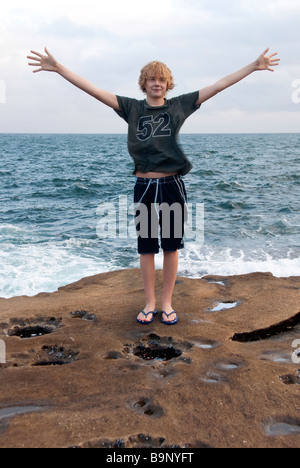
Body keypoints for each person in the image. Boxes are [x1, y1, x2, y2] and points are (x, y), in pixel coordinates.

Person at [27, 47, 280, 325]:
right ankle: (149, 303)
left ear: (167, 84)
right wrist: (59, 67)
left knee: (171, 247)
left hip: (172, 185)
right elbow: (95, 91)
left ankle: (167, 303)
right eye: (151, 79)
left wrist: (254, 66)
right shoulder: (132, 108)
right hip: (145, 187)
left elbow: (218, 86)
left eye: (161, 79)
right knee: (147, 247)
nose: (157, 83)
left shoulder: (179, 106)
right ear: (144, 83)